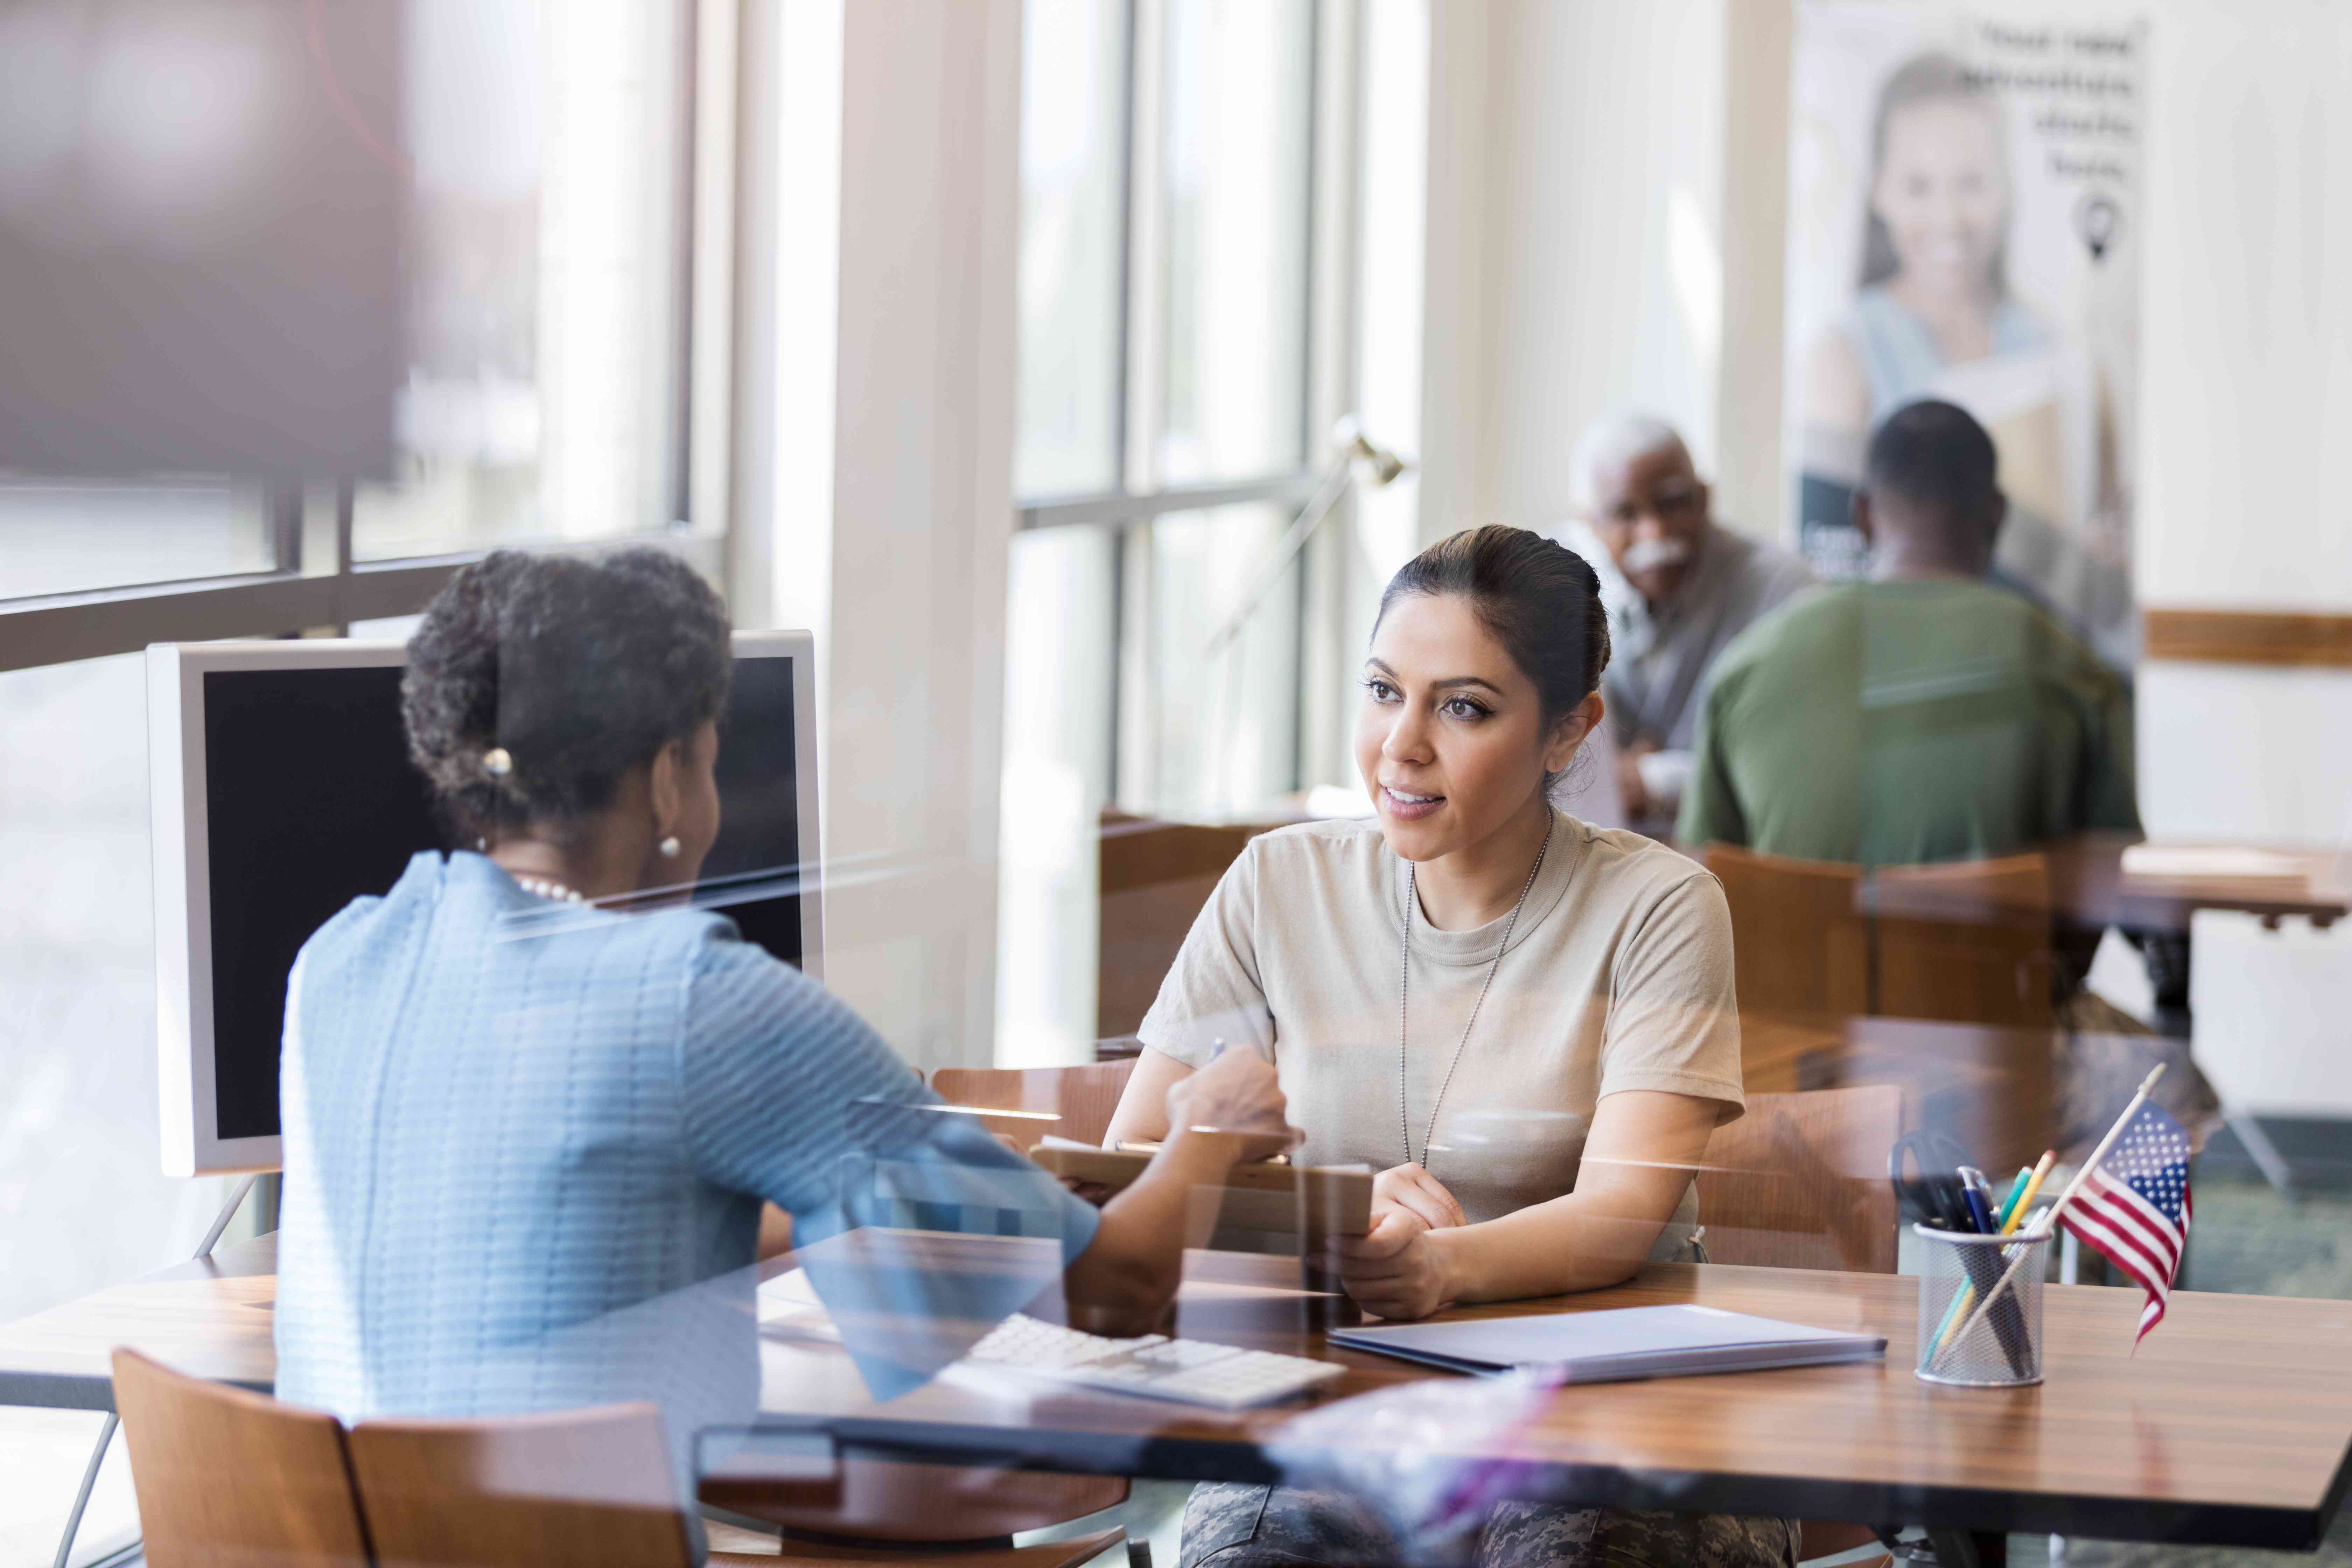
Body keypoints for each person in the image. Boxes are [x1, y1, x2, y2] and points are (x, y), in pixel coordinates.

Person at [271, 551, 1293, 1551]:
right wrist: (1204, 1134)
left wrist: (826, 1201)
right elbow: (1105, 1291)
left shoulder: (339, 958)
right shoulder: (697, 995)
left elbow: (570, 1210)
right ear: (668, 778)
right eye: (712, 757)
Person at [1104, 526, 1794, 1567]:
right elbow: (1137, 1156)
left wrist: (1435, 1265)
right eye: (1383, 690)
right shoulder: (1276, 883)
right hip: (1342, 1406)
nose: (1402, 743)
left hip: (1604, 1417)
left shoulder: (1660, 903)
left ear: (1568, 731)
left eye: (1461, 706)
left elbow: (1620, 1214)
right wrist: (1341, 1206)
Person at [1680, 399, 2137, 867]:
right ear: (1997, 514)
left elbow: (1700, 874)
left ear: (1861, 516)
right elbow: (2120, 878)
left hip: (1793, 941)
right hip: (1997, 942)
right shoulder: (2069, 665)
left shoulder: (1747, 665)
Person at [1556, 413, 1812, 831]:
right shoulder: (1548, 585)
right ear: (1589, 523)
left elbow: (1796, 766)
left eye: (1673, 503)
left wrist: (1654, 779)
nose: (1655, 533)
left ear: (1705, 498)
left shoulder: (1782, 590)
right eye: (1626, 514)